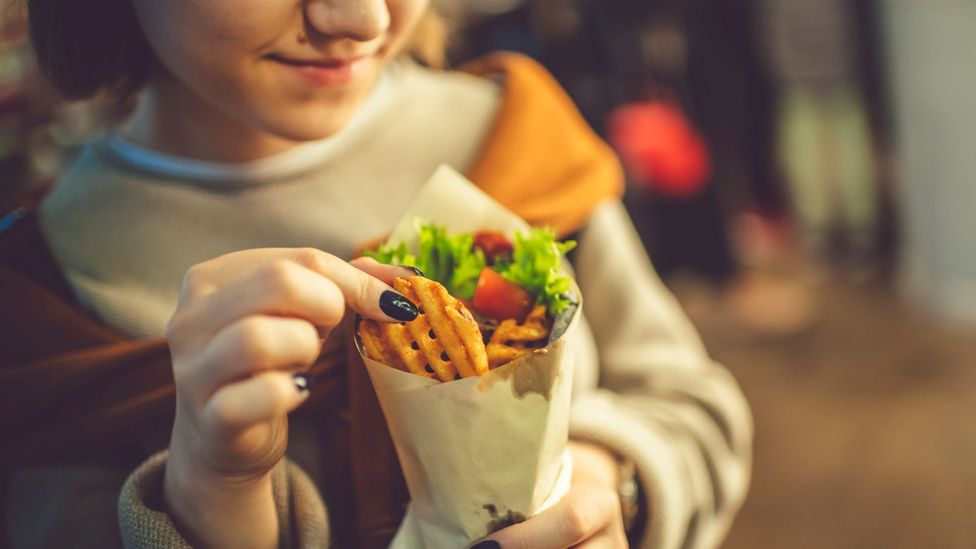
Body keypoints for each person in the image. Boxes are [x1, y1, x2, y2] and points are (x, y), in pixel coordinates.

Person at [0, 1, 752, 548]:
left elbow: (693, 404)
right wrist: (209, 496)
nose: (360, 19)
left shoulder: (515, 136)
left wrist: (606, 481)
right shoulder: (40, 289)